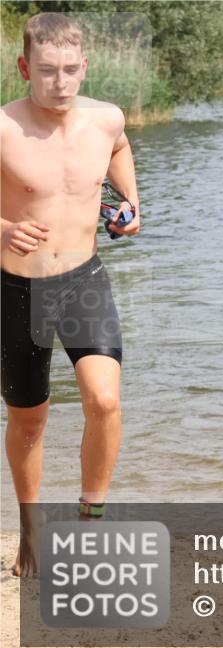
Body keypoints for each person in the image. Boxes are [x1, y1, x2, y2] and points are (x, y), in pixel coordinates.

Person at [1, 13, 141, 576]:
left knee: (104, 401)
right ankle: (31, 528)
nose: (59, 83)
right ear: (23, 67)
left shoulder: (106, 119)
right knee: (30, 420)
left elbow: (121, 148)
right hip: (14, 289)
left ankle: (90, 521)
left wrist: (131, 202)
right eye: (45, 71)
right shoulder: (4, 127)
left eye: (69, 71)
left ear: (85, 65)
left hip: (83, 278)